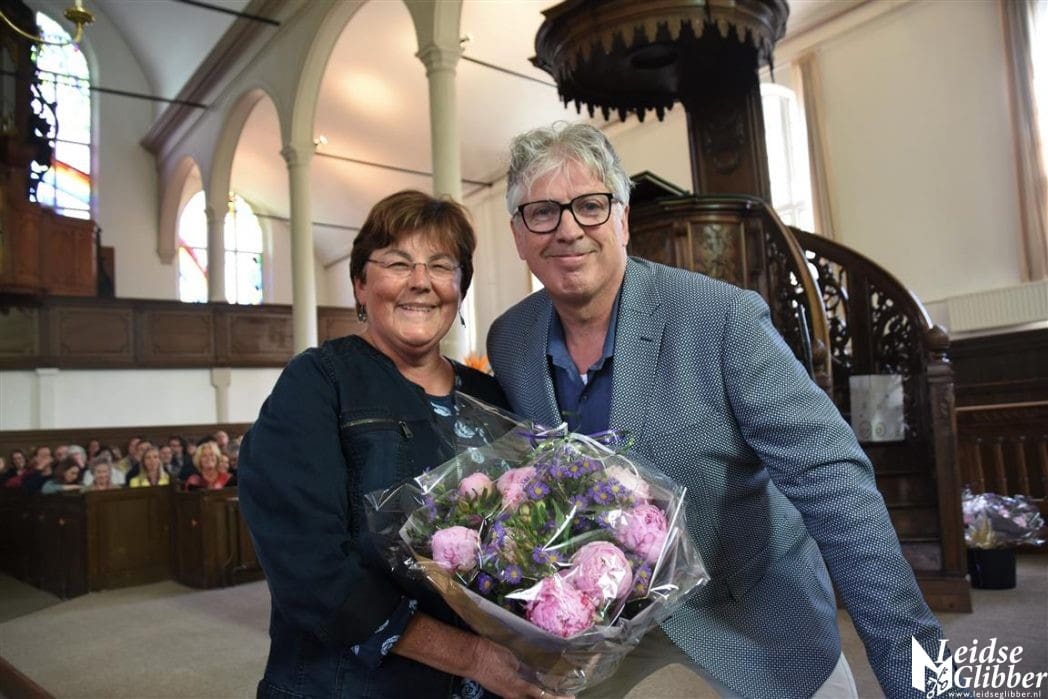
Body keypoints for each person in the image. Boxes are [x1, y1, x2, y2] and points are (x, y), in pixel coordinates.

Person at [487, 122, 954, 699]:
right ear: (518, 234)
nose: (568, 229)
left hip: (748, 629)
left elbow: (835, 485)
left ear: (623, 219)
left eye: (590, 206)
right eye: (542, 212)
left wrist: (922, 677)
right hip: (607, 641)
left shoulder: (721, 319)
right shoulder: (510, 340)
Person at [238, 190, 564, 699]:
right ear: (360, 284)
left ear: (460, 288)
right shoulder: (320, 382)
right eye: (397, 263)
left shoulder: (491, 396)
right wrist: (474, 657)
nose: (420, 281)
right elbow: (309, 567)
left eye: (442, 265)